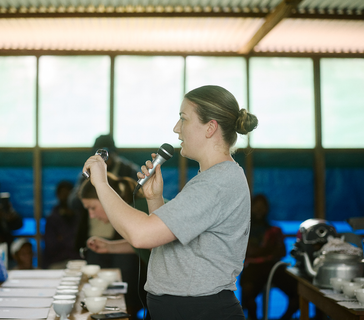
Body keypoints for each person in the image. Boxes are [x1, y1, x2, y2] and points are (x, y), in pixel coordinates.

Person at [82, 85, 258, 320]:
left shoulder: (217, 183)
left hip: (201, 312)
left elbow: (141, 235)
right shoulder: (211, 178)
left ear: (210, 127)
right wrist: (155, 199)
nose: (177, 129)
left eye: (183, 119)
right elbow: (168, 243)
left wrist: (102, 184)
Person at [78, 172, 151, 319]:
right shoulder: (134, 207)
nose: (91, 216)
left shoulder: (138, 208)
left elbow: (156, 241)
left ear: (105, 198)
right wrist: (109, 247)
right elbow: (147, 242)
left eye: (92, 207)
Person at [240, 194, 299, 320]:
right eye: (257, 207)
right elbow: (245, 252)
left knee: (299, 291)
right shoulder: (244, 230)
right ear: (251, 208)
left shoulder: (274, 230)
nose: (259, 210)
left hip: (273, 268)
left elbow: (282, 252)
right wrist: (268, 250)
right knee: (247, 294)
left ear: (267, 209)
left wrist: (259, 252)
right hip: (253, 269)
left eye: (262, 207)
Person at [43, 180, 81, 269]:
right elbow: (51, 246)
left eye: (68, 193)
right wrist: (71, 240)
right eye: (62, 193)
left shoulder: (80, 216)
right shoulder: (52, 218)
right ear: (57, 195)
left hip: (77, 261)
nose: (65, 196)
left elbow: (81, 242)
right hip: (57, 262)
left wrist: (62, 238)